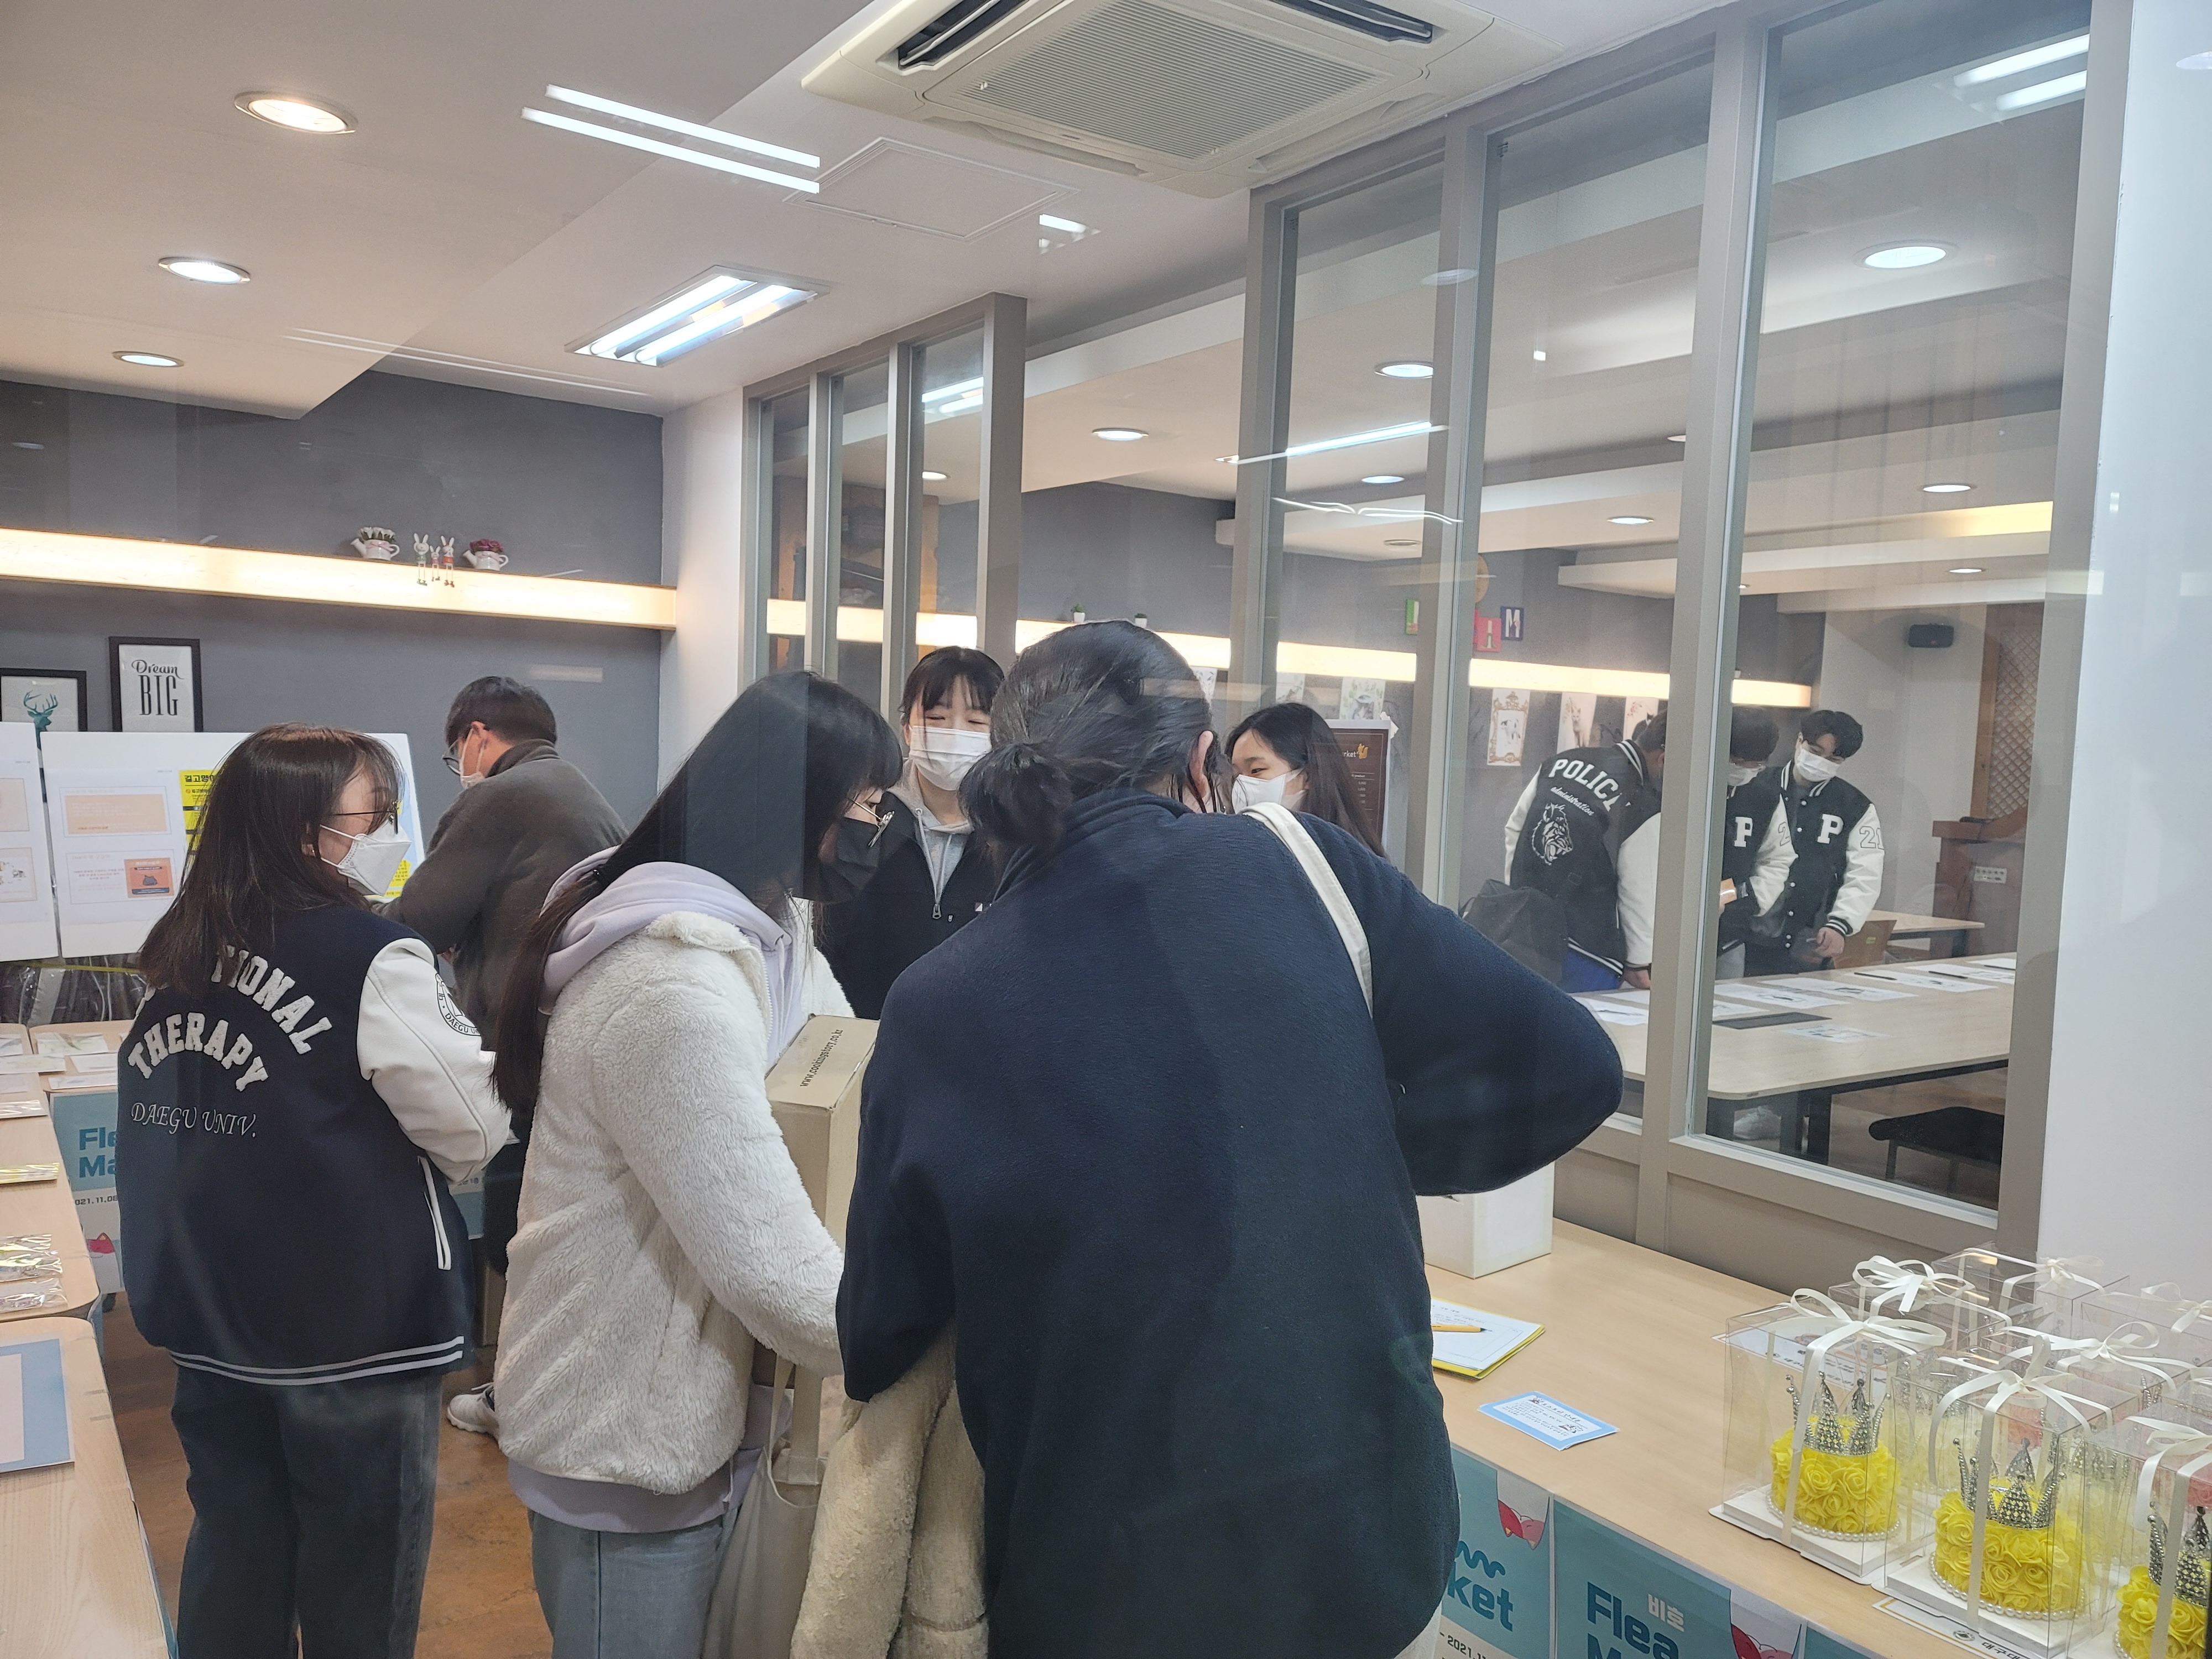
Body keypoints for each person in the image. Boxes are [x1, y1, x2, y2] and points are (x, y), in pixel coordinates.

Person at [838, 622, 1621, 1659]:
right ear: (1202, 762)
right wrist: (1361, 1142)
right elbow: (1573, 1069)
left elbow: (876, 1336)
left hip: (1099, 1578)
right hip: (1366, 1550)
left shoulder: (935, 1002)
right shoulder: (1304, 867)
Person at [488, 671, 900, 1658]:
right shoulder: (669, 984)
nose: (875, 828)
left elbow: (846, 1073)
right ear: (796, 806)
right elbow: (770, 1264)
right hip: (626, 1431)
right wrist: (924, 1328)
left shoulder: (773, 933)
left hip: (707, 1408)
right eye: (864, 803)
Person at [116, 724, 510, 1659]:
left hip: (211, 1316)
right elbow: (474, 1125)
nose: (387, 834)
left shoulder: (177, 954)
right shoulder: (373, 955)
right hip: (354, 1331)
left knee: (235, 1551)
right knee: (360, 1579)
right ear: (310, 832)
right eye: (373, 816)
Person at [385, 675, 626, 1436]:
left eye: (455, 751)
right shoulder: (581, 792)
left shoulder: (499, 796)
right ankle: (542, 1384)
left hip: (525, 1048)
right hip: (582, 1037)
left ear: (477, 736)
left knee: (517, 1224)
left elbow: (413, 921)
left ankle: (517, 1393)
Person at [822, 647, 1003, 1019]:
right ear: (908, 729)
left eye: (975, 722)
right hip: (863, 1030)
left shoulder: (1015, 831)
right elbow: (830, 932)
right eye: (936, 718)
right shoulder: (865, 812)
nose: (955, 734)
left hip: (977, 1040)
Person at [1500, 710, 1665, 990]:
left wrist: (1517, 895)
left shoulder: (1561, 761)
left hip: (1524, 930)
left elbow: (1516, 828)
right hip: (1586, 950)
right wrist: (1639, 961)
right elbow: (1638, 887)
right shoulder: (1643, 803)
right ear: (1663, 759)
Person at [1747, 708, 1885, 975]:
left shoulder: (1855, 806)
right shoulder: (1757, 785)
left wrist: (1840, 924)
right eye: (1815, 751)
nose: (1821, 762)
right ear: (1799, 740)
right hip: (1747, 931)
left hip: (1810, 938)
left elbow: (1865, 873)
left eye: (1833, 759)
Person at [1225, 699, 1385, 853]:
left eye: (1256, 770)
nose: (1241, 785)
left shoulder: (1352, 860)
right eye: (1235, 776)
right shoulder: (1236, 849)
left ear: (1307, 776)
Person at [1716, 706, 1796, 978]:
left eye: (1754, 765)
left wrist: (1738, 900)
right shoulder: (1684, 785)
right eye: (1737, 761)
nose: (1743, 770)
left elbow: (1777, 858)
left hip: (1730, 933)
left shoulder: (1766, 796)